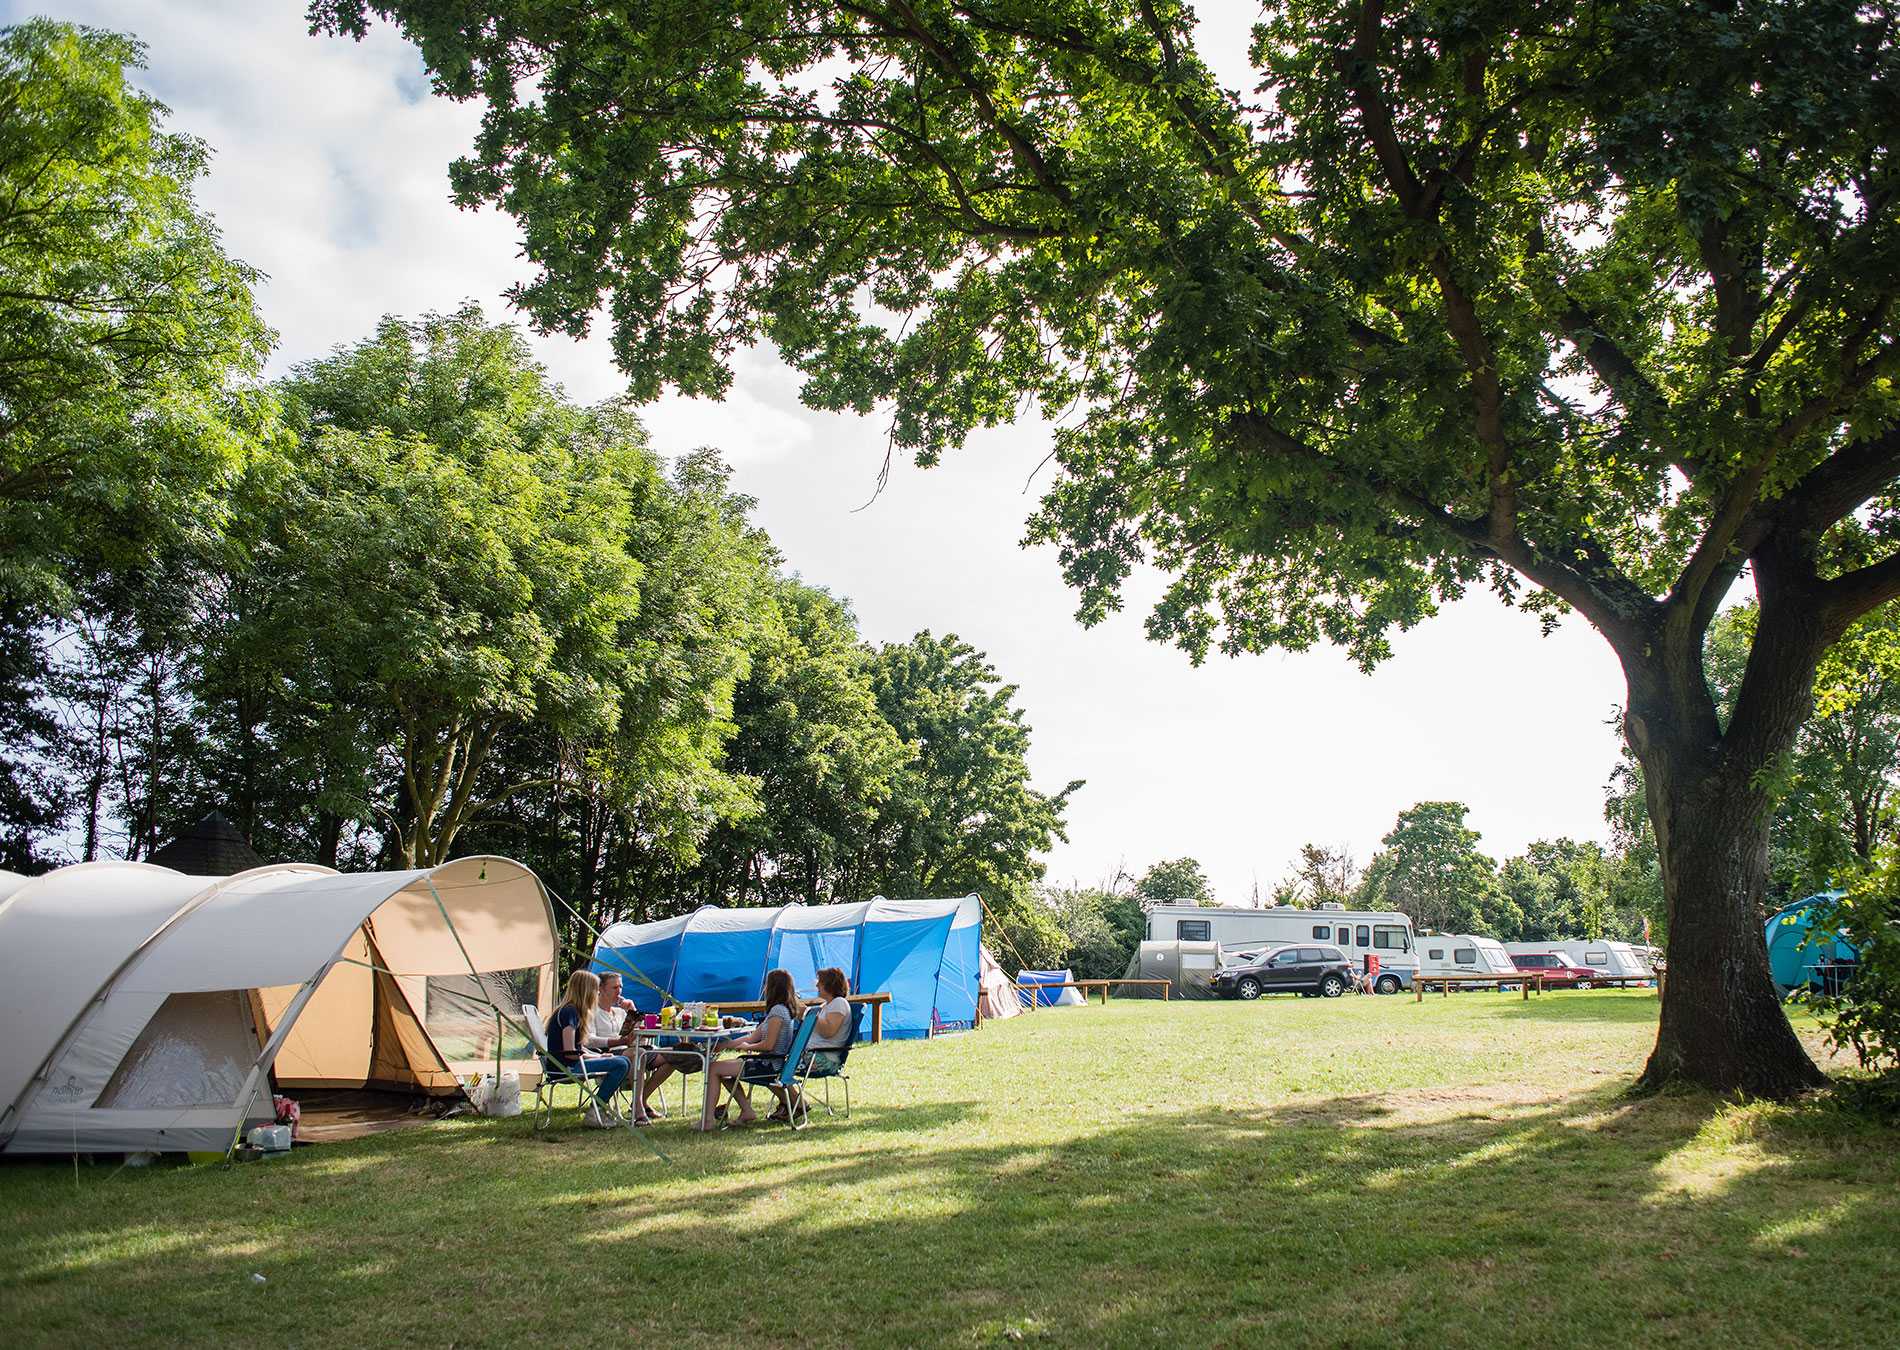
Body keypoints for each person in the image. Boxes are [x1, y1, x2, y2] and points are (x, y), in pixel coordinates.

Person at [703, 968, 799, 1128]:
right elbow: (751, 1037)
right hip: (769, 1062)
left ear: (773, 987)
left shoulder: (778, 1011)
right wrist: (724, 1046)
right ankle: (747, 1111)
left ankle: (707, 1121)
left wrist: (748, 1047)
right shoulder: (780, 1011)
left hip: (769, 1065)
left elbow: (768, 1045)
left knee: (714, 1068)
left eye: (767, 984)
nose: (764, 988)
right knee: (723, 1073)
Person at [543, 969, 629, 1128]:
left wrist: (601, 1057)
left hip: (569, 1064)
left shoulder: (571, 1010)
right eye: (595, 990)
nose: (597, 994)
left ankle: (599, 1110)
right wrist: (597, 1058)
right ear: (586, 991)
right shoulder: (570, 1013)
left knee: (621, 1060)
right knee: (622, 1064)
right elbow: (570, 1053)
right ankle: (595, 1111)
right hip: (565, 1068)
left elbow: (578, 1048)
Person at [774, 966, 852, 1121]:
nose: (817, 985)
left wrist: (808, 1014)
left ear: (829, 984)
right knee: (771, 1065)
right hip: (811, 1055)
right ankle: (789, 1104)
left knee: (772, 1067)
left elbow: (828, 1031)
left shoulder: (839, 1003)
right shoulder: (826, 1005)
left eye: (820, 982)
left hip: (824, 1058)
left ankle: (795, 1103)